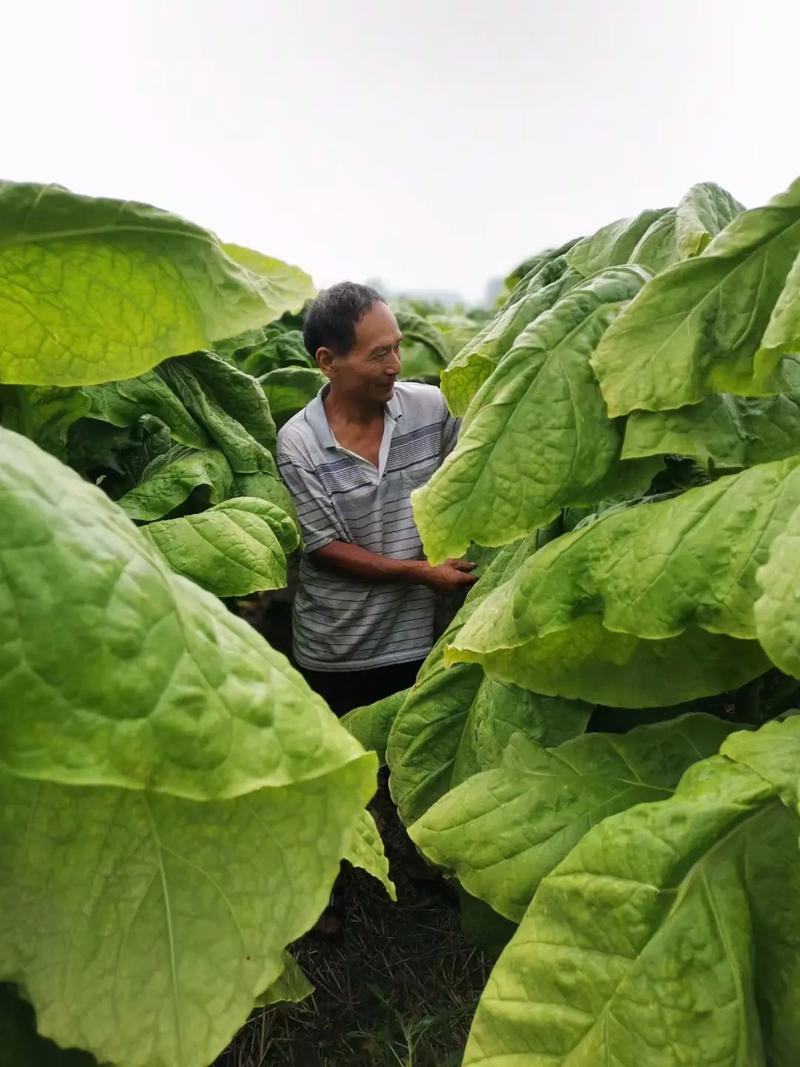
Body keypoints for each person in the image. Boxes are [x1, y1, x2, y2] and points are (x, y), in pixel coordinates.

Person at [277, 282, 476, 716]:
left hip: (418, 639)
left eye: (397, 349)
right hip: (338, 647)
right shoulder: (299, 442)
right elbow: (325, 549)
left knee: (404, 762)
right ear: (328, 361)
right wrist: (423, 573)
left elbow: (475, 470)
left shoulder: (432, 409)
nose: (396, 366)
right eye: (379, 354)